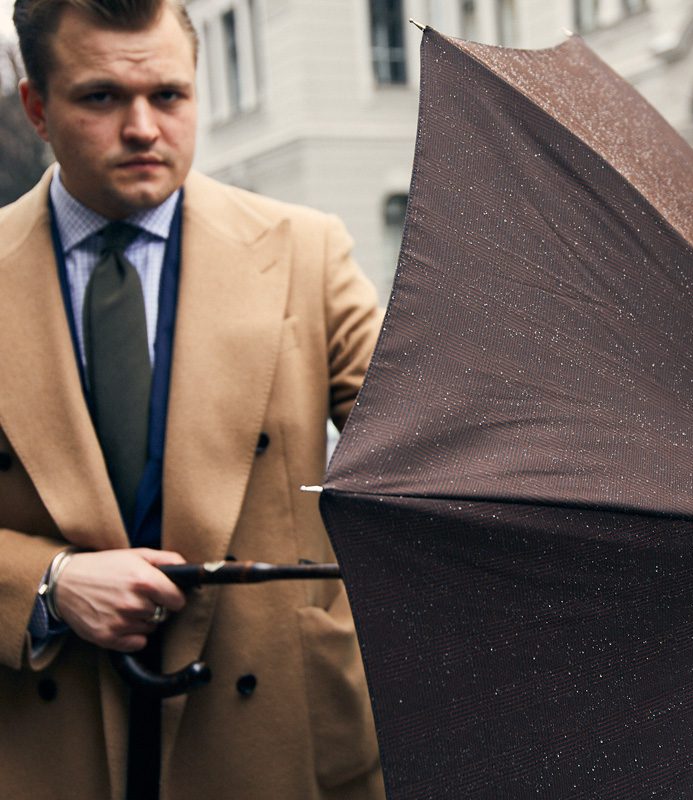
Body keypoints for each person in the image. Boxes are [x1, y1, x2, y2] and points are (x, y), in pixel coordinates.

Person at [0, 0, 384, 798]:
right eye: (101, 97)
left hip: (274, 729)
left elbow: (433, 437)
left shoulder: (306, 252)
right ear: (36, 105)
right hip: (44, 735)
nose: (144, 127)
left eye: (169, 96)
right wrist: (45, 584)